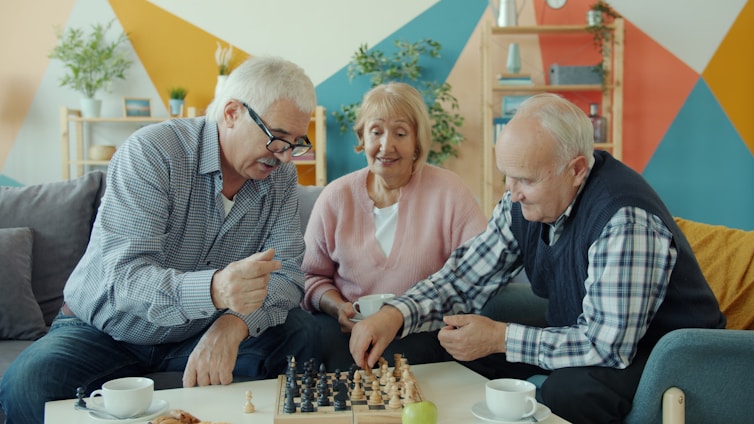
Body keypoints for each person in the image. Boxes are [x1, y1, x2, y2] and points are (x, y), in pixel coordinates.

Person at [349, 93, 726, 423]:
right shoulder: (524, 201)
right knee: (439, 345)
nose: (512, 194)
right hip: (590, 338)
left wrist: (501, 337)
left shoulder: (624, 219)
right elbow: (464, 276)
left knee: (571, 392)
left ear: (576, 169)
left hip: (664, 354)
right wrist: (395, 314)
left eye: (525, 180)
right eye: (506, 178)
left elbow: (607, 346)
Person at [0, 56, 321, 423]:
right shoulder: (154, 153)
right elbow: (125, 278)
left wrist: (232, 325)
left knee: (302, 334)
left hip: (200, 330)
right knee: (27, 384)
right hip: (107, 331)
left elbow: (288, 275)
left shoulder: (280, 178)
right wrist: (215, 289)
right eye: (277, 138)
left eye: (295, 143)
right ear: (232, 113)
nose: (283, 156)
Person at [301, 82, 487, 369]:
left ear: (417, 142)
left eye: (400, 133)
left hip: (424, 332)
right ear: (362, 136)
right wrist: (337, 306)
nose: (386, 145)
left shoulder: (450, 191)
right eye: (376, 132)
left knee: (396, 359)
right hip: (348, 332)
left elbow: (478, 274)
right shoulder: (336, 197)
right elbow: (310, 277)